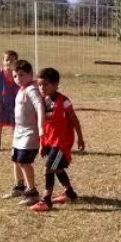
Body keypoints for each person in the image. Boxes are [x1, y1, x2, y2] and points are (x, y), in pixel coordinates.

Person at [30, 67, 85, 212]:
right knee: (58, 168)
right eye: (40, 84)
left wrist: (80, 137)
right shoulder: (41, 101)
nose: (42, 88)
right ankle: (70, 193)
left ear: (55, 85)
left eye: (45, 84)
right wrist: (42, 143)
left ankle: (46, 200)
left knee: (49, 168)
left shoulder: (64, 101)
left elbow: (74, 120)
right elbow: (42, 124)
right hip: (49, 141)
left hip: (61, 143)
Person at [2, 60, 44, 206]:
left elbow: (39, 105)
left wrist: (41, 127)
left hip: (30, 132)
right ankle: (19, 186)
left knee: (24, 162)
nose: (17, 78)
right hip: (19, 132)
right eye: (15, 76)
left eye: (21, 75)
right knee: (15, 159)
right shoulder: (21, 89)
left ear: (30, 75)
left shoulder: (32, 89)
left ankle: (32, 192)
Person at [0, 50, 20, 152]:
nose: (9, 62)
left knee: (16, 124)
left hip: (16, 104)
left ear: (16, 61)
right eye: (6, 60)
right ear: (3, 61)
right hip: (2, 103)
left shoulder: (19, 74)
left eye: (11, 60)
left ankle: (16, 144)